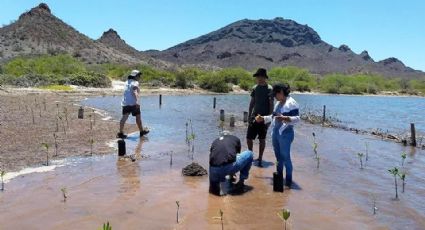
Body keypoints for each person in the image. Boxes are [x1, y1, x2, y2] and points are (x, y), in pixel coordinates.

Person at [255, 83, 299, 188]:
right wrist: (263, 118)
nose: (274, 97)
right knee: (278, 158)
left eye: (275, 94)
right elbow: (273, 116)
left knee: (286, 157)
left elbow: (297, 118)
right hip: (276, 133)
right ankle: (279, 179)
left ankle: (288, 182)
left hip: (286, 134)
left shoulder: (292, 103)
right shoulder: (278, 103)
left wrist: (286, 118)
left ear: (281, 92)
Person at [209, 131, 254, 196]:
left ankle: (220, 182)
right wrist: (232, 173)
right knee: (250, 154)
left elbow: (213, 156)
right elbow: (235, 156)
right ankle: (241, 182)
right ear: (230, 135)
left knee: (213, 192)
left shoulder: (215, 141)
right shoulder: (235, 138)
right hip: (227, 167)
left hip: (213, 169)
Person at [247, 68, 274, 167]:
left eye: (259, 77)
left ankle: (260, 157)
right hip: (255, 116)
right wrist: (250, 115)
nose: (258, 79)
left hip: (264, 117)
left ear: (263, 77)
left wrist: (269, 118)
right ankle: (250, 155)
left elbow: (271, 104)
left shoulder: (270, 89)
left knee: (262, 139)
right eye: (257, 77)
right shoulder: (255, 88)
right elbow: (252, 102)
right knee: (249, 137)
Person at [117, 70, 149, 139]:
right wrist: (137, 101)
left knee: (124, 118)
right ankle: (141, 132)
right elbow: (135, 92)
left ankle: (120, 133)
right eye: (139, 75)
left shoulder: (126, 82)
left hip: (125, 103)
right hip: (133, 103)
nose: (140, 77)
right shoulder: (135, 82)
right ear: (135, 76)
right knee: (138, 117)